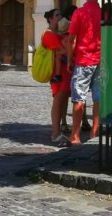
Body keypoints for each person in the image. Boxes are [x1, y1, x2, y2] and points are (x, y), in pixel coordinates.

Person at [66, 0, 101, 145]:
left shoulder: (79, 13)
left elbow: (72, 39)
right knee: (98, 98)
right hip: (100, 59)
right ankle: (95, 132)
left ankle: (75, 136)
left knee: (78, 98)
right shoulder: (103, 15)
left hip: (83, 59)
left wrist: (69, 59)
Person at [42, 8, 70, 145]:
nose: (60, 17)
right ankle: (55, 133)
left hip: (65, 72)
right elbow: (61, 50)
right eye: (57, 15)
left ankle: (58, 130)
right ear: (51, 19)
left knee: (62, 101)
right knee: (58, 102)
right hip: (57, 74)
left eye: (60, 15)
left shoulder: (58, 33)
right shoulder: (48, 34)